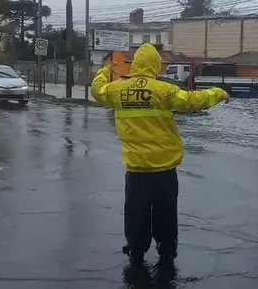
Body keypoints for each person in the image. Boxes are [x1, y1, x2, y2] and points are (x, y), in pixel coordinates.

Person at [91, 43, 229, 269]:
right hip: (164, 169)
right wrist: (218, 93)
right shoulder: (163, 90)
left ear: (135, 65)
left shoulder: (118, 89)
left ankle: (136, 250)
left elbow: (98, 91)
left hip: (136, 170)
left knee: (136, 213)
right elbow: (193, 101)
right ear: (155, 65)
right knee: (165, 214)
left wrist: (105, 71)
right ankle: (166, 252)